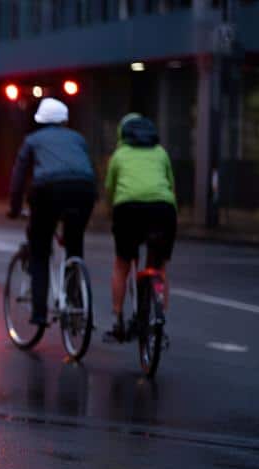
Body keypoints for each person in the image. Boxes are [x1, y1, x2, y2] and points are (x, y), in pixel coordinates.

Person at [7, 98, 98, 326]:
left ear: (40, 120)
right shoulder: (78, 139)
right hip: (84, 190)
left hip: (48, 191)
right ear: (64, 120)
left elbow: (19, 175)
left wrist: (15, 207)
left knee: (39, 249)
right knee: (74, 245)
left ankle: (39, 313)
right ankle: (77, 303)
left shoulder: (32, 140)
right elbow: (88, 168)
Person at [103, 113, 177, 342]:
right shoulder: (161, 153)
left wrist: (110, 213)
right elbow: (171, 186)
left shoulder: (119, 155)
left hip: (128, 210)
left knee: (122, 264)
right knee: (159, 266)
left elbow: (110, 189)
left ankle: (117, 321)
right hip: (163, 210)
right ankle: (159, 318)